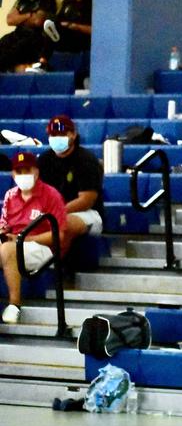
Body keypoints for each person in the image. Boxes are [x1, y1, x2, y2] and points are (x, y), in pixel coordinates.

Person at [0, 152, 67, 324]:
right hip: (14, 244)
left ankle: (14, 305)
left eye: (26, 170)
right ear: (13, 175)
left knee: (8, 249)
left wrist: (22, 239)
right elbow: (5, 223)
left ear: (36, 172)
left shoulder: (51, 195)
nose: (23, 175)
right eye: (18, 172)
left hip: (42, 249)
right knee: (7, 248)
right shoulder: (10, 196)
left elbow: (58, 235)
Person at [38, 115, 104, 248]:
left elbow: (86, 200)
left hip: (87, 213)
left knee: (63, 223)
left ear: (73, 134)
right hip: (50, 212)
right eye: (53, 134)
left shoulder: (86, 160)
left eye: (62, 134)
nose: (57, 138)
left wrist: (57, 212)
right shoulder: (44, 160)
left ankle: (59, 265)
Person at [0, 0, 55, 73]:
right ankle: (16, 69)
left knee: (18, 48)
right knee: (4, 43)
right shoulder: (22, 0)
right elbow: (10, 19)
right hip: (18, 33)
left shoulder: (46, 0)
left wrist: (20, 17)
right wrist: (28, 15)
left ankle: (24, 69)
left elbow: (37, 20)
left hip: (35, 35)